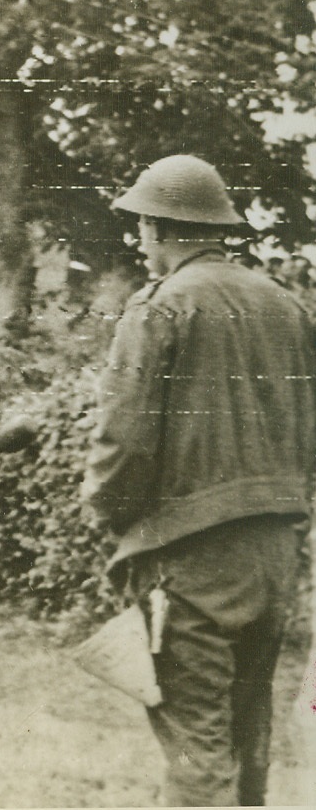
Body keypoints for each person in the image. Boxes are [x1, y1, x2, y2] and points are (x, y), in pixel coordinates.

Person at [82, 154, 315, 807]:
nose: (140, 243)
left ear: (157, 227)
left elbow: (123, 441)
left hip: (192, 555)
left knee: (195, 740)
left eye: (141, 229)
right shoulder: (288, 308)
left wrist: (108, 514)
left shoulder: (158, 308)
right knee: (249, 731)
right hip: (276, 553)